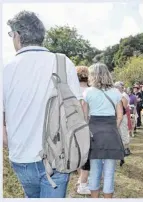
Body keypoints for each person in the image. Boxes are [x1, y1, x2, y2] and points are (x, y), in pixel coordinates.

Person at [3, 11, 82, 198]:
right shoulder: (63, 63)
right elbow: (79, 112)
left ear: (18, 35)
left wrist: (8, 141)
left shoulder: (6, 69)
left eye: (11, 34)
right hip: (59, 156)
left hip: (22, 156)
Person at [82, 63, 125, 198]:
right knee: (109, 172)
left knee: (94, 171)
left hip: (94, 134)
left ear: (93, 75)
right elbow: (119, 115)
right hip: (111, 133)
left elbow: (84, 117)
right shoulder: (116, 92)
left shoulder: (88, 92)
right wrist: (112, 127)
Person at [75, 66, 91, 195]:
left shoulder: (71, 90)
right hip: (88, 126)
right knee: (87, 156)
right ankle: (82, 182)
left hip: (73, 127)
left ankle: (81, 177)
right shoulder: (91, 91)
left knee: (77, 154)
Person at [115, 81, 131, 156]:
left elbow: (124, 106)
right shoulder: (118, 95)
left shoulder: (123, 95)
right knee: (119, 132)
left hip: (123, 115)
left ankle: (126, 148)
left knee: (124, 131)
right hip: (117, 116)